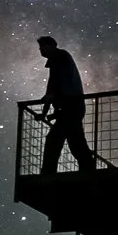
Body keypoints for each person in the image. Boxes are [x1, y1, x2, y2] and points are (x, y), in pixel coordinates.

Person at [37, 34, 96, 174]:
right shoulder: (61, 57)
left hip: (70, 107)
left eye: (42, 47)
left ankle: (48, 173)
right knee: (75, 142)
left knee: (54, 140)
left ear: (50, 45)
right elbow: (52, 86)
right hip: (72, 107)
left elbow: (53, 85)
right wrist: (46, 110)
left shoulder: (59, 57)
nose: (41, 50)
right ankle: (88, 167)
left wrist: (47, 106)